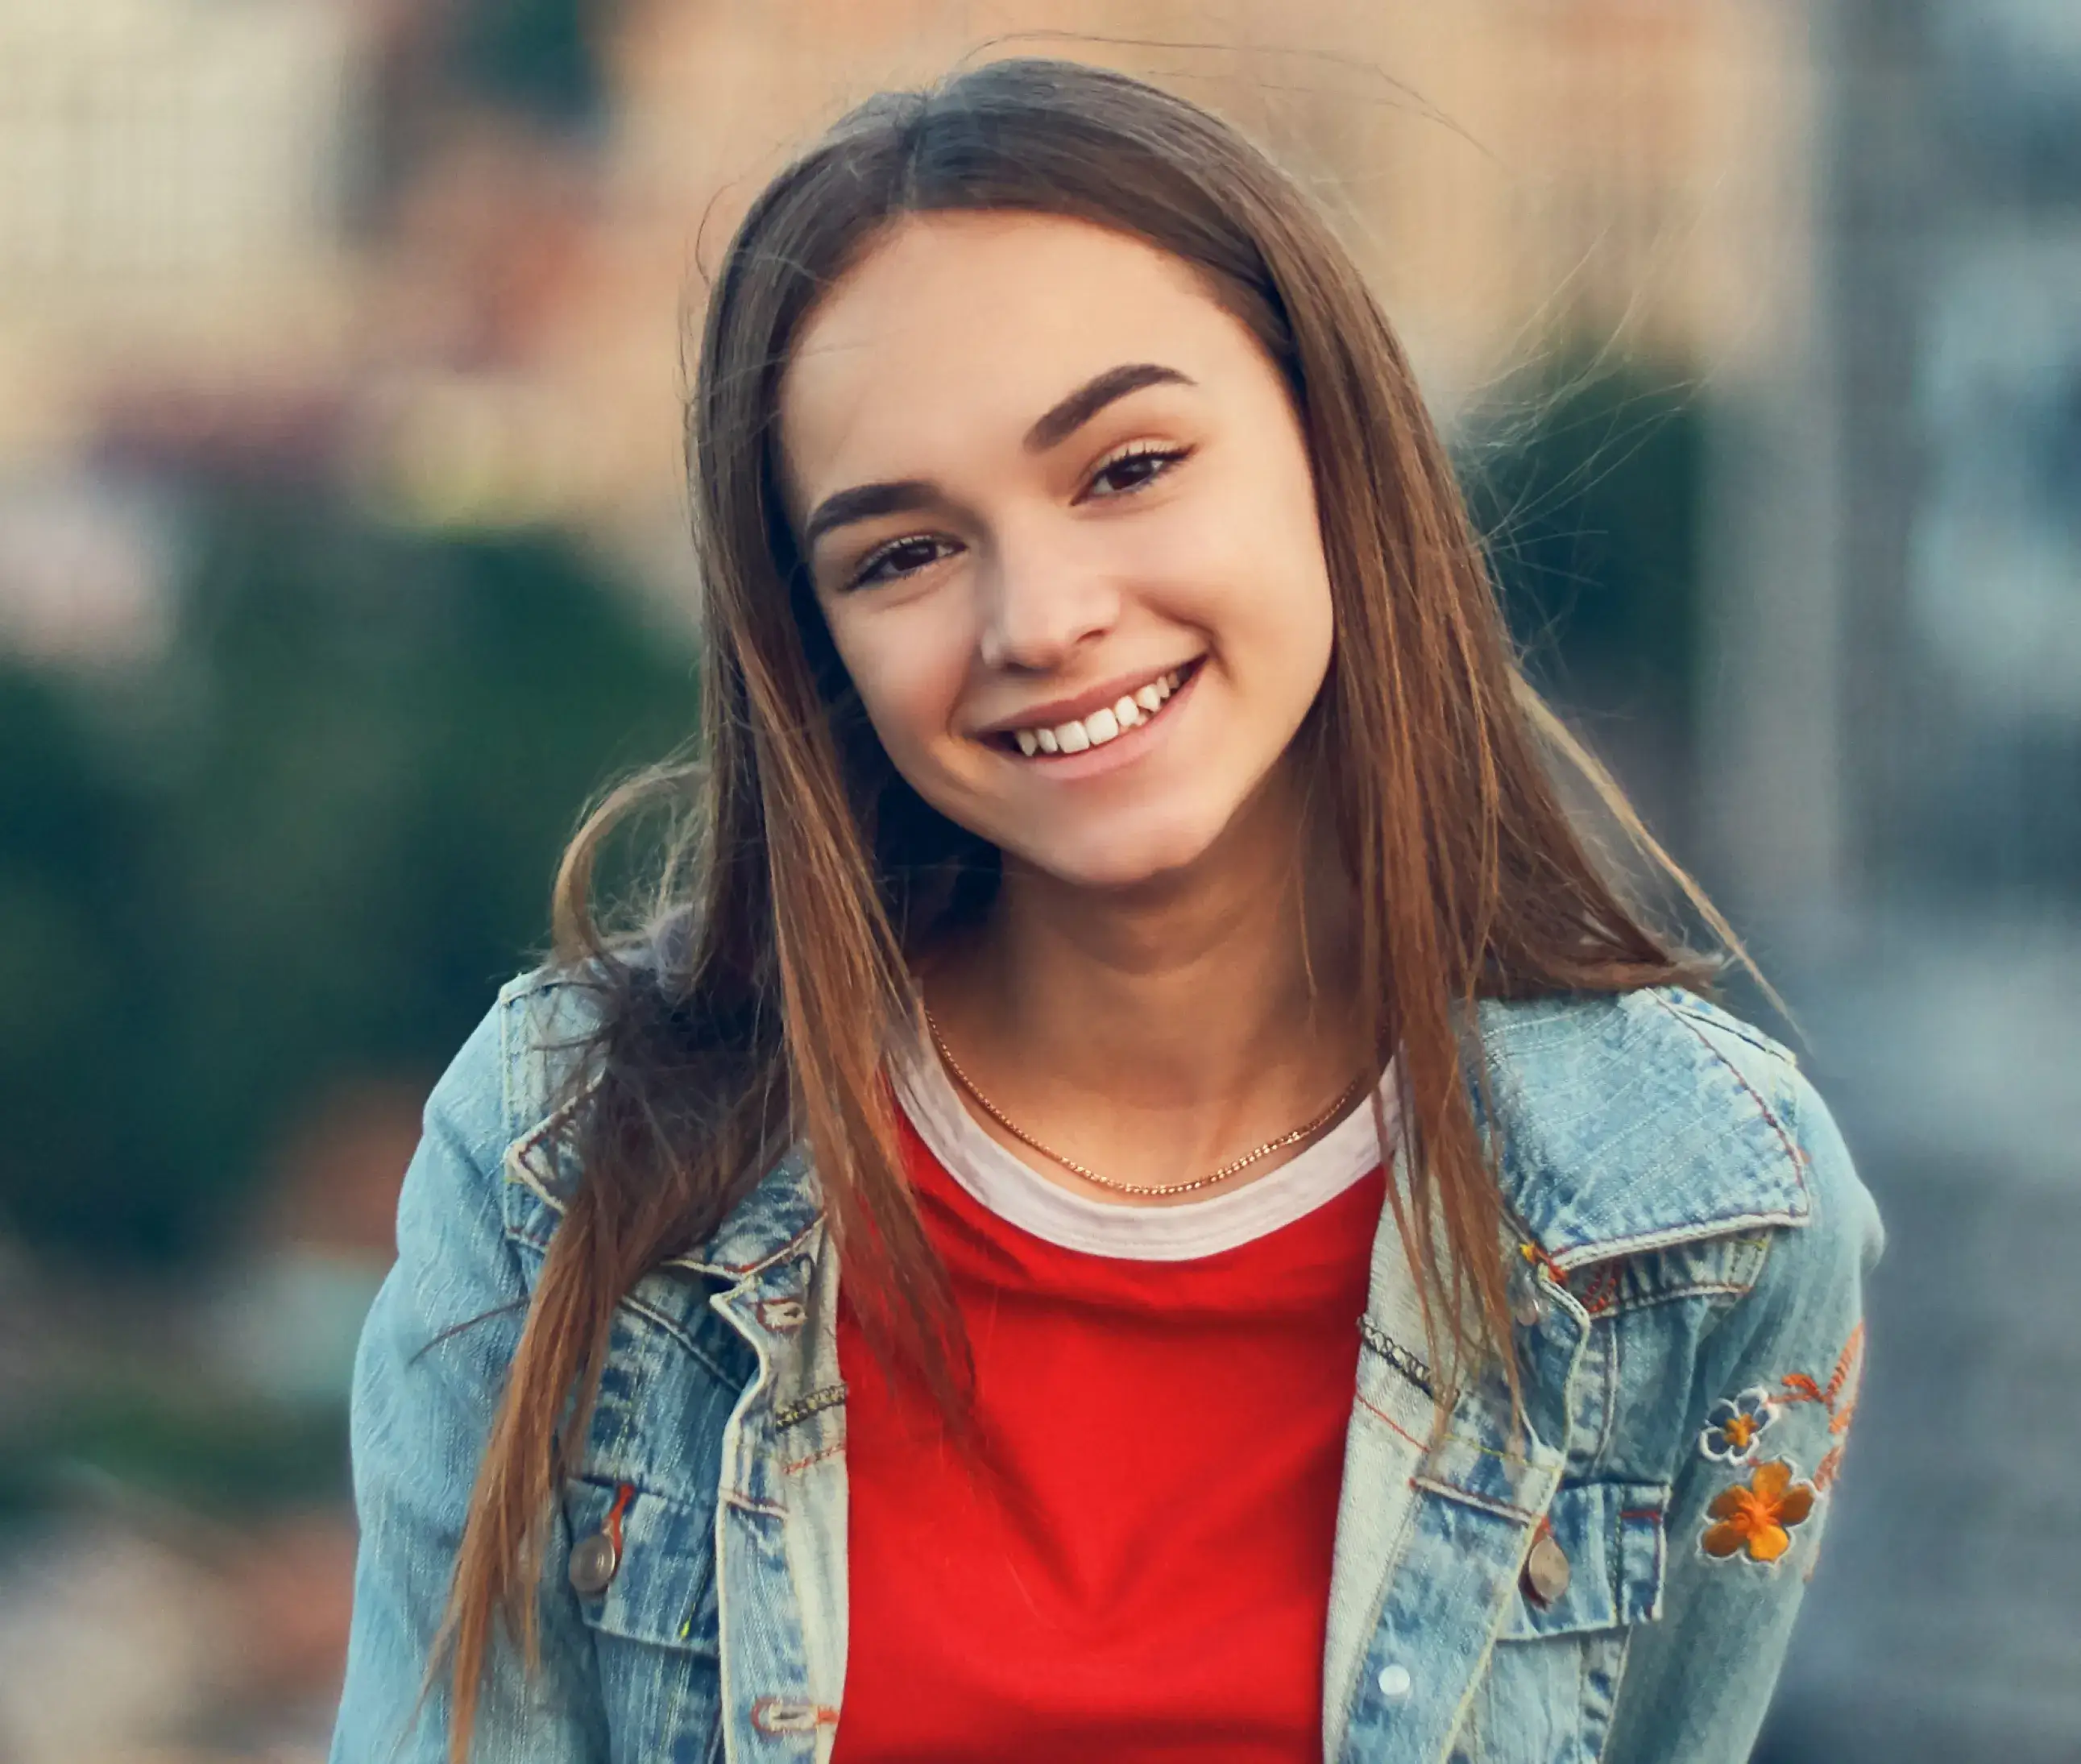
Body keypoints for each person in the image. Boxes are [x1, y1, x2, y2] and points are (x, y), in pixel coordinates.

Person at [330, 57, 1882, 1764]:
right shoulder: (567, 1155)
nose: (1042, 618)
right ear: (814, 645)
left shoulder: (1705, 1218)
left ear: (1330, 447)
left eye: (1127, 466)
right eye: (901, 554)